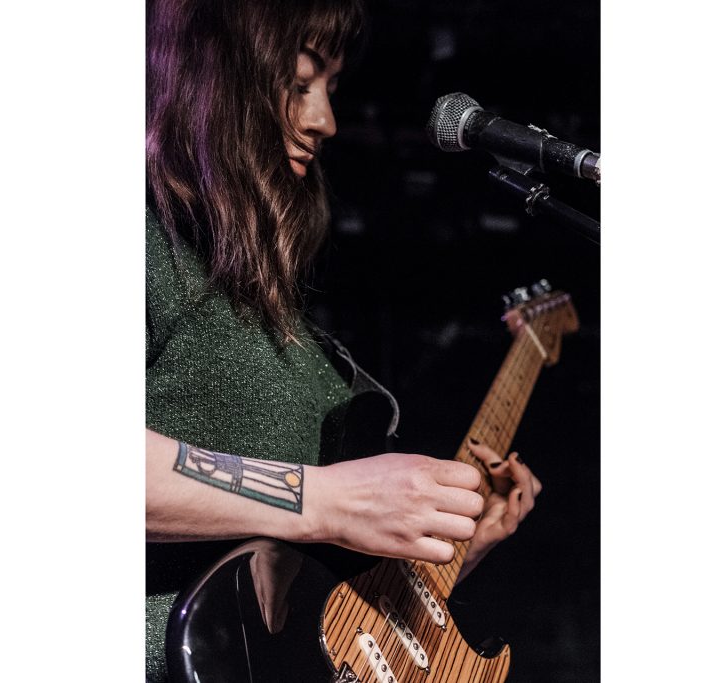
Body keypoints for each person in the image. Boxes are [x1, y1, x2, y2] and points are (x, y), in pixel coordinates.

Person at [144, 0, 542, 680]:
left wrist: (445, 549)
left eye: (329, 89)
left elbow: (316, 611)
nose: (325, 120)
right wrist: (327, 500)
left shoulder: (301, 349)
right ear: (217, 72)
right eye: (300, 83)